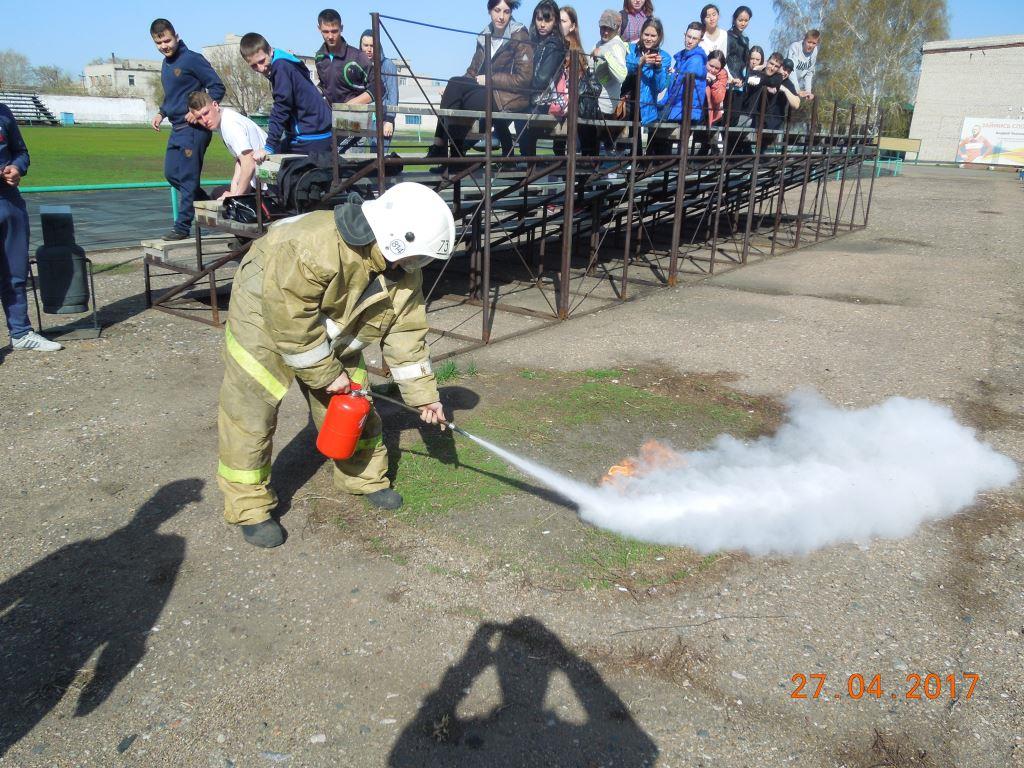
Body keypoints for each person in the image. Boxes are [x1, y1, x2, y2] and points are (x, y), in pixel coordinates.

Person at [216, 182, 455, 548]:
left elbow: (406, 332)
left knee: (355, 405)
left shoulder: (403, 268)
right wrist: (327, 375)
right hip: (263, 316)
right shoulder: (309, 246)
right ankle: (250, 507)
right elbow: (291, 322)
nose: (416, 267)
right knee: (250, 413)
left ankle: (363, 479)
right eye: (416, 257)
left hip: (329, 323)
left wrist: (424, 397)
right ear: (394, 237)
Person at [424, 0, 533, 168]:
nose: (501, 16)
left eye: (506, 11)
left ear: (511, 12)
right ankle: (450, 153)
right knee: (454, 84)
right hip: (489, 91)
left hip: (510, 95)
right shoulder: (484, 36)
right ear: (489, 10)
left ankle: (450, 153)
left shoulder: (519, 34)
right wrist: (454, 89)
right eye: (497, 10)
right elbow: (472, 71)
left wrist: (490, 79)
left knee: (461, 97)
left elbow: (524, 79)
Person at [149, 19, 225, 241]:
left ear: (177, 36)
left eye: (167, 40)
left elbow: (217, 87)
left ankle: (182, 227)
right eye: (159, 42)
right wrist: (161, 112)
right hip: (176, 128)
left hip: (194, 130)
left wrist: (199, 111)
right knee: (172, 174)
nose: (164, 45)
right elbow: (173, 95)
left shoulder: (192, 59)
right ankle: (210, 205)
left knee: (189, 178)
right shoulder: (166, 64)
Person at [0, 102, 61, 352]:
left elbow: (21, 151)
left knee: (15, 272)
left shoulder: (4, 111)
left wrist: (17, 167)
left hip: (9, 201)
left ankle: (21, 332)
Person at [240, 33, 334, 159]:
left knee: (267, 162)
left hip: (310, 136)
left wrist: (269, 146)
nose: (261, 68)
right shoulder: (285, 61)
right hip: (319, 131)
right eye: (254, 66)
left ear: (270, 51)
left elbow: (282, 106)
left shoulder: (281, 67)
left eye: (262, 61)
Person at [186, 92, 267, 199]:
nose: (205, 120)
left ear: (215, 105)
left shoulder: (230, 125)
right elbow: (241, 159)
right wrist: (234, 185)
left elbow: (249, 163)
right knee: (219, 194)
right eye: (199, 118)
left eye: (206, 113)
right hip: (260, 180)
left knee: (218, 197)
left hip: (268, 185)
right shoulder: (226, 118)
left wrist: (235, 196)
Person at [516, 0, 565, 159]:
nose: (542, 24)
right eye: (539, 19)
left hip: (542, 102)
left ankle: (526, 163)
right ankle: (522, 161)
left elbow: (541, 80)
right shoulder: (535, 42)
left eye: (547, 20)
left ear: (555, 21)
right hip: (532, 99)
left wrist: (519, 83)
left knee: (515, 112)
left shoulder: (554, 44)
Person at [315, 9, 373, 106]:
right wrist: (313, 92)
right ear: (319, 28)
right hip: (330, 116)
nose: (330, 36)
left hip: (355, 118)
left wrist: (349, 106)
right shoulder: (319, 57)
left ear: (341, 28)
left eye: (334, 31)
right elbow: (326, 84)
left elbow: (378, 88)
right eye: (325, 31)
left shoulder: (358, 57)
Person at [624, 17, 669, 128]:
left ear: (659, 37)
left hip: (645, 107)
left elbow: (660, 87)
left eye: (653, 36)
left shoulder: (665, 57)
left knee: (638, 142)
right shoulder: (630, 49)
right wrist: (640, 62)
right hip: (626, 103)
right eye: (646, 34)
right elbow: (624, 68)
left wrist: (658, 68)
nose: (649, 39)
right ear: (641, 34)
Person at [359, 30, 399, 154]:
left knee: (377, 160)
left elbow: (393, 94)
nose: (369, 49)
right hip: (361, 118)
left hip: (381, 119)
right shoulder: (357, 65)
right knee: (354, 160)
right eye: (366, 45)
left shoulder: (388, 65)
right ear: (360, 46)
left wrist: (390, 120)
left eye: (372, 45)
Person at [786, 29, 819, 100]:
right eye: (809, 42)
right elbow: (791, 70)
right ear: (804, 40)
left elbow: (809, 73)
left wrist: (808, 92)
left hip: (796, 83)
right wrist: (797, 90)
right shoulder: (795, 47)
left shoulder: (815, 51)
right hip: (786, 80)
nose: (811, 45)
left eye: (814, 43)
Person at [725, 6, 752, 90]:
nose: (743, 23)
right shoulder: (726, 36)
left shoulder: (745, 40)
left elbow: (745, 63)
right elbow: (723, 60)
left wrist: (744, 79)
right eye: (740, 20)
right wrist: (730, 78)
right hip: (728, 82)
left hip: (740, 83)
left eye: (746, 21)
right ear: (734, 19)